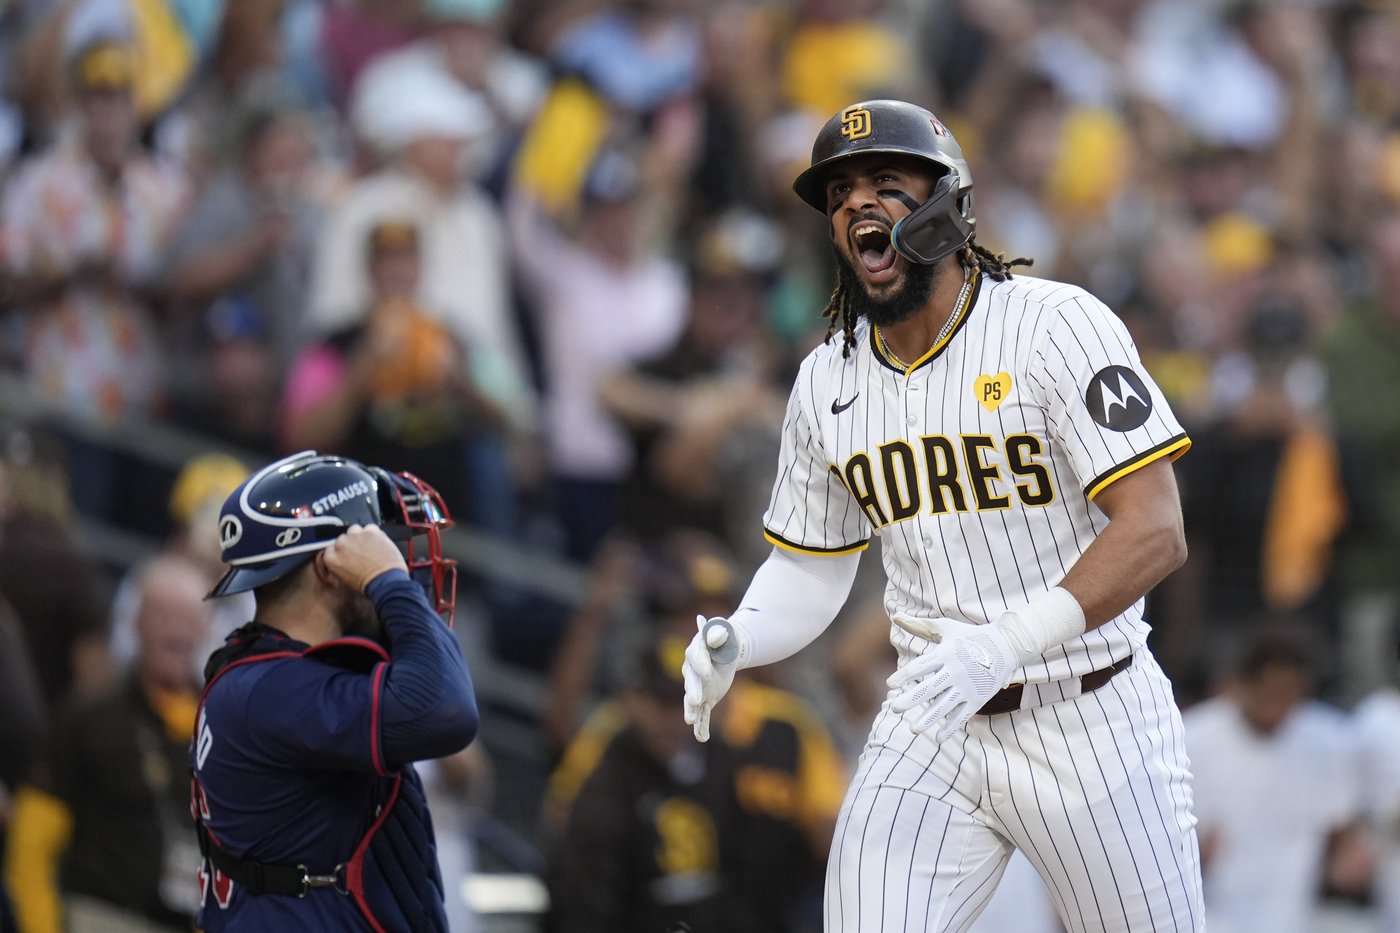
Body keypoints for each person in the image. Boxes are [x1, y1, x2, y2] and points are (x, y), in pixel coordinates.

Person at [681, 99, 1203, 932]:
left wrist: (1007, 643)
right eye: (840, 193)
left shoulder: (1055, 325)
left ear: (948, 204)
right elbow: (810, 567)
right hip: (931, 716)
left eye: (886, 181)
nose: (858, 202)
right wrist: (739, 636)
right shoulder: (826, 377)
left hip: (1090, 710)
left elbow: (1154, 529)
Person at [191, 450, 478, 931]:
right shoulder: (271, 690)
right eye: (378, 548)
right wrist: (388, 582)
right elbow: (448, 712)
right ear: (330, 569)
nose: (402, 565)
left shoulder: (271, 675)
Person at [5, 555, 212, 933]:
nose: (177, 632)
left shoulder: (220, 728)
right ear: (136, 621)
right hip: (101, 915)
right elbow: (32, 843)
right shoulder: (89, 713)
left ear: (206, 629)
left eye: (189, 619)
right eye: (164, 616)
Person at [1184, 625, 1370, 933]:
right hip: (1211, 919)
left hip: (1295, 919)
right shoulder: (1192, 738)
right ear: (1241, 684)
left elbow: (1341, 839)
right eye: (1268, 690)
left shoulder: (1329, 741)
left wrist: (1348, 860)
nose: (1277, 703)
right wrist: (1194, 854)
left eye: (1289, 692)